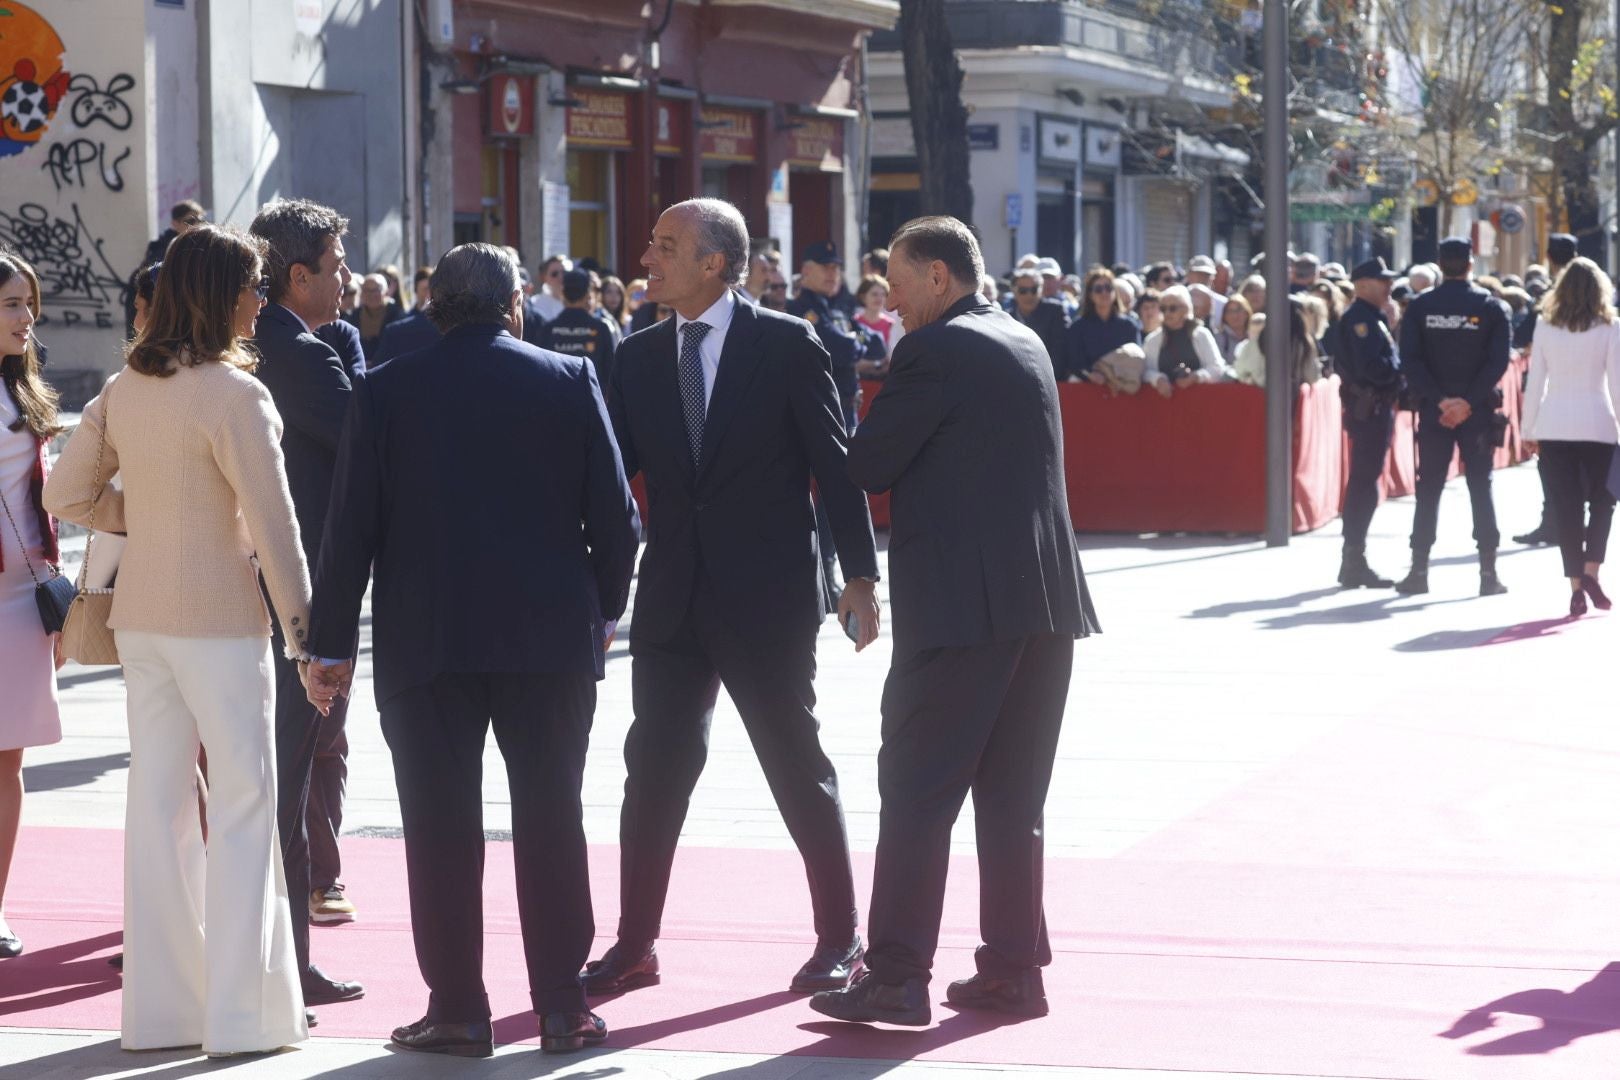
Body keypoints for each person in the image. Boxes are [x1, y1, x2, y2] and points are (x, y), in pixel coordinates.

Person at [305, 243, 639, 1057]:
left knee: (441, 826)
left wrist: (331, 647)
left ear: (432, 304)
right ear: (515, 303)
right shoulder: (568, 380)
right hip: (548, 637)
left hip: (429, 638)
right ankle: (562, 1006)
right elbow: (617, 520)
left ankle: (458, 1007)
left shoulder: (384, 389)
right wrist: (602, 612)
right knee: (552, 816)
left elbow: (350, 531)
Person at [585, 197, 880, 1000]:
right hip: (674, 598)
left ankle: (840, 939)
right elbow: (609, 480)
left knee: (794, 764)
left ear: (716, 263)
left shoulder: (788, 343)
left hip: (767, 598)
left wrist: (860, 575)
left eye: (666, 245)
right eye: (652, 242)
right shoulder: (639, 356)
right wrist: (594, 583)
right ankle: (635, 944)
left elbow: (835, 462)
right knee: (652, 771)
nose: (647, 257)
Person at [812, 215, 1099, 1026]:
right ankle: (1012, 969)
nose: (891, 304)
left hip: (965, 608)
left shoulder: (934, 349)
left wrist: (822, 406)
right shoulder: (1023, 337)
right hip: (1045, 604)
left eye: (899, 286)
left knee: (915, 789)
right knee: (1013, 799)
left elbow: (868, 463)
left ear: (939, 277)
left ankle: (897, 974)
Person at [43, 225, 310, 1056]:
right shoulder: (237, 396)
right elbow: (274, 527)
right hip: (223, 623)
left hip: (143, 622)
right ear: (223, 295)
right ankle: (241, 1021)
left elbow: (65, 492)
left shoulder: (127, 385)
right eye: (254, 286)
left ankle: (160, 1015)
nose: (261, 301)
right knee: (242, 805)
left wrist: (151, 519)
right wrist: (308, 638)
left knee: (157, 808)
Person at [248, 199, 370, 990]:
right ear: (299, 276)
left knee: (276, 778)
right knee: (288, 780)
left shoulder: (273, 342)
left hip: (256, 590)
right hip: (295, 595)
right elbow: (370, 443)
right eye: (335, 265)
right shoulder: (296, 352)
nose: (348, 279)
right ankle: (288, 968)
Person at [0, 254, 62, 962]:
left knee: (7, 762)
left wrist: (58, 600)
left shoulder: (27, 388)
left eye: (29, 304)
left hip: (24, 596)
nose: (26, 319)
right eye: (13, 305)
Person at [1395, 238, 1513, 596]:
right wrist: (1468, 402)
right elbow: (1498, 362)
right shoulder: (1491, 307)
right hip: (1474, 412)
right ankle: (1488, 575)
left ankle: (1419, 571)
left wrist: (1442, 400)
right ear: (1470, 263)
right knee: (1480, 484)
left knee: (1428, 487)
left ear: (1440, 263)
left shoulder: (1420, 307)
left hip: (1435, 412)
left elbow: (1410, 361)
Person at [1520, 257, 1620, 617]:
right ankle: (1592, 569)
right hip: (1598, 425)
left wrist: (1527, 429)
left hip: (1555, 425)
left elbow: (1535, 384)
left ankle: (1576, 586)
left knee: (1567, 507)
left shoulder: (1546, 327)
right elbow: (1617, 385)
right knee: (1603, 503)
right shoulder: (1611, 328)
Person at [1334, 258, 1403, 589]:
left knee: (1366, 482)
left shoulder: (1373, 318)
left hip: (1375, 409)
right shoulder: (1361, 320)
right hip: (1370, 409)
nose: (1388, 286)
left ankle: (1354, 558)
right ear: (1362, 285)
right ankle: (1353, 559)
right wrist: (1400, 377)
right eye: (1381, 281)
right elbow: (1373, 368)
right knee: (1363, 484)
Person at [1513, 232, 1580, 547]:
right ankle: (1571, 523)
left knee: (1551, 463)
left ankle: (1554, 522)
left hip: (1554, 392)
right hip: (1590, 393)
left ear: (1550, 259)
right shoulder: (1597, 298)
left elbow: (1524, 336)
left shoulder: (1552, 299)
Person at [788, 241, 882, 432]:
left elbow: (878, 343)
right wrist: (857, 340)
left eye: (836, 268)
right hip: (821, 414)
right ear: (806, 270)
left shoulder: (836, 307)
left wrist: (855, 338)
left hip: (848, 411)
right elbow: (842, 350)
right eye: (826, 267)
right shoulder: (803, 309)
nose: (833, 274)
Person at [535, 268, 617, 387]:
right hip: (591, 399)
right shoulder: (602, 328)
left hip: (555, 398)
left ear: (563, 292)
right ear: (588, 294)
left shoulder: (547, 329)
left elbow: (539, 370)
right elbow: (610, 372)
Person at [1143, 284, 1228, 394]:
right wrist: (1158, 379)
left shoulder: (1201, 334)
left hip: (1198, 401)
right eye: (1163, 309)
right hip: (1164, 403)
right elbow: (1145, 371)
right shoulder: (1152, 340)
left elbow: (1217, 368)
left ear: (1185, 309)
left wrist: (1196, 377)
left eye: (1172, 308)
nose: (1167, 313)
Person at [1066, 266, 1140, 382]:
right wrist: (1090, 374)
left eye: (1108, 288)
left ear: (1115, 293)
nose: (1104, 292)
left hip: (1121, 384)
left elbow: (1135, 358)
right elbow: (1074, 362)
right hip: (1087, 385)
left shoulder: (1129, 326)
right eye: (1098, 289)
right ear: (1090, 295)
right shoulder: (1078, 327)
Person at [1007, 267, 1069, 379]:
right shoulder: (1006, 318)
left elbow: (1060, 351)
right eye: (1023, 290)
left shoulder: (1055, 311)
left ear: (1041, 290)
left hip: (1049, 379)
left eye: (1034, 289)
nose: (1029, 295)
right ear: (1014, 291)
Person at [853, 275, 901, 359]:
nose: (879, 298)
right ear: (863, 297)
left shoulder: (890, 324)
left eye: (883, 294)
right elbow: (858, 347)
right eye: (874, 294)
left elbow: (891, 354)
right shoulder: (855, 322)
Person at [1213, 292, 1251, 365]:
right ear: (1224, 316)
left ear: (1246, 313)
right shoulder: (1219, 338)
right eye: (1230, 311)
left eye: (1238, 310)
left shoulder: (1255, 337)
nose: (1235, 315)